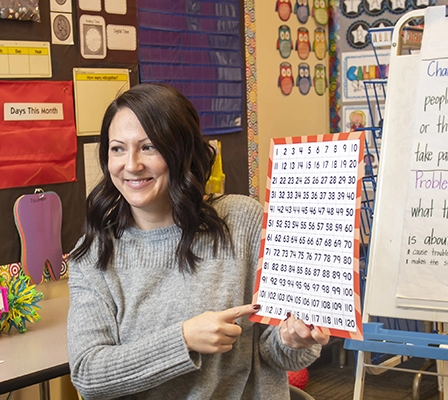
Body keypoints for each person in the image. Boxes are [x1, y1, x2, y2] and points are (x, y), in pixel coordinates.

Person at [67, 83, 329, 400]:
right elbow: (89, 376)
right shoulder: (93, 253)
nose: (132, 164)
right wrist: (183, 339)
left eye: (149, 147)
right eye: (118, 149)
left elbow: (275, 352)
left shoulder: (243, 221)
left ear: (181, 151)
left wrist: (294, 340)